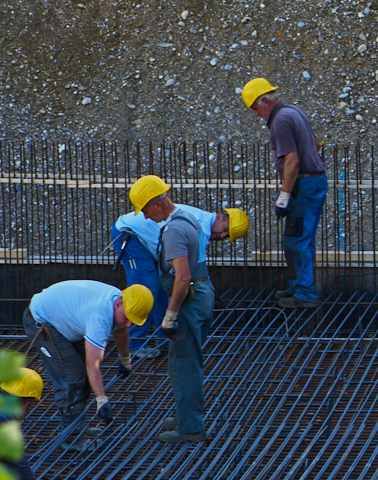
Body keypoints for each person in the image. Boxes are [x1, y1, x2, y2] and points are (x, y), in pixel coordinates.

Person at [130, 176, 249, 444]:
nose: (146, 217)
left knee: (185, 363)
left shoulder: (174, 230)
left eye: (146, 210)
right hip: (202, 293)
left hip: (190, 300)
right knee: (184, 360)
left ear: (157, 204)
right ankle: (187, 414)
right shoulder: (189, 218)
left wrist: (169, 314)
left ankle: (191, 428)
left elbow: (182, 278)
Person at [23, 278, 154, 452]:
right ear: (119, 304)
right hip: (42, 322)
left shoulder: (120, 302)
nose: (129, 324)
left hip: (65, 321)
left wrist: (125, 360)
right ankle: (71, 438)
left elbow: (122, 329)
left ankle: (78, 429)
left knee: (82, 377)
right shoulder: (99, 317)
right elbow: (93, 365)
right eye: (128, 318)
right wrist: (101, 400)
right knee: (72, 377)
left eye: (133, 321)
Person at [242, 77, 328, 309]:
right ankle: (299, 285)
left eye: (254, 107)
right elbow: (315, 143)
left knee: (296, 240)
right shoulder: (293, 111)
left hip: (304, 184)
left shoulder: (280, 120)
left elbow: (292, 162)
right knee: (302, 239)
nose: (255, 114)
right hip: (315, 182)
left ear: (264, 101)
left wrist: (284, 197)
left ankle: (305, 293)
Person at [112, 186, 171, 360]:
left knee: (161, 287)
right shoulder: (200, 226)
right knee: (145, 287)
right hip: (129, 234)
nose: (222, 235)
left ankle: (164, 337)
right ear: (221, 218)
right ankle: (135, 343)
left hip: (143, 237)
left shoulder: (195, 220)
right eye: (223, 231)